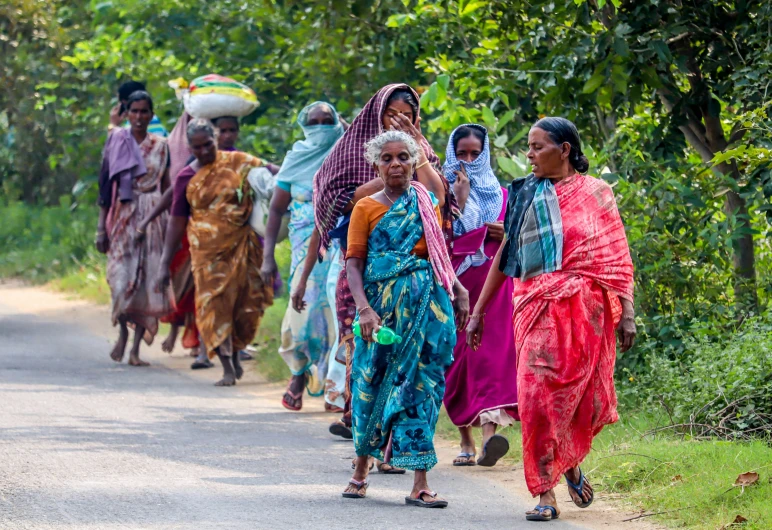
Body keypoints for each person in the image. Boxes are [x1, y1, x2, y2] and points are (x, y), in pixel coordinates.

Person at [466, 117, 636, 522]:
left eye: (538, 147)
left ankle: (570, 462)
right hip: (536, 306)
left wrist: (627, 312)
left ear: (564, 150)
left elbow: (616, 257)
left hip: (587, 312)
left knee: (582, 402)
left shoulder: (597, 193)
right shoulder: (524, 194)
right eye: (528, 146)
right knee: (536, 399)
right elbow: (506, 256)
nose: (529, 155)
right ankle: (545, 490)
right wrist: (478, 313)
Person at [313, 83, 454, 445]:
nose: (400, 120)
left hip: (418, 280)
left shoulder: (419, 155)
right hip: (363, 270)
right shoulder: (350, 154)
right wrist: (388, 173)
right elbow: (334, 198)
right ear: (377, 112)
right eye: (393, 113)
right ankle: (360, 425)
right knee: (366, 355)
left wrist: (415, 152)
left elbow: (438, 198)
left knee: (413, 363)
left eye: (407, 115)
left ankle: (396, 442)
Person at [342, 131, 469, 506]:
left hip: (428, 307)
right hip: (380, 311)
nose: (395, 164)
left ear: (414, 162)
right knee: (371, 380)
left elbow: (438, 257)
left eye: (402, 157)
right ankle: (361, 469)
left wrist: (458, 289)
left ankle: (420, 482)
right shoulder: (365, 207)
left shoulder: (427, 201)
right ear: (375, 164)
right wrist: (364, 309)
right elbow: (354, 263)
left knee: (423, 388)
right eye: (387, 158)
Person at [158, 119, 274, 386]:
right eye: (196, 147)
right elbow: (176, 220)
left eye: (207, 144)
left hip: (242, 246)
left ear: (216, 139)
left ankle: (234, 354)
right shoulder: (186, 176)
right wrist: (165, 263)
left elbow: (274, 172)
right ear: (190, 147)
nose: (203, 152)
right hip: (206, 254)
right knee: (213, 305)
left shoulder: (238, 161)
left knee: (245, 305)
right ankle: (226, 367)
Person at [441, 124, 519, 468]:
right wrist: (458, 201)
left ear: (485, 154)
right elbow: (440, 238)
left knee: (489, 358)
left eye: (475, 154)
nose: (468, 161)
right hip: (455, 286)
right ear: (451, 154)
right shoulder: (437, 193)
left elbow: (519, 235)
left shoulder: (504, 195)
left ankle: (489, 438)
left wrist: (503, 230)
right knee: (456, 361)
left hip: (495, 287)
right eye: (462, 154)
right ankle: (465, 439)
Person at [260, 102, 345, 411]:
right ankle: (298, 373)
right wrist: (268, 257)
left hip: (339, 244)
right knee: (303, 313)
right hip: (304, 251)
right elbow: (276, 210)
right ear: (304, 126)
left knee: (339, 312)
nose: (321, 127)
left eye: (327, 121)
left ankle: (336, 388)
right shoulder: (295, 159)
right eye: (314, 121)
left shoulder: (346, 156)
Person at [96, 90, 171, 366]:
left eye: (144, 112)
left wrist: (159, 219)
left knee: (148, 282)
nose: (139, 117)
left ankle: (136, 347)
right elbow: (105, 185)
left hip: (153, 218)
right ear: (126, 114)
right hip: (123, 215)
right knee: (120, 279)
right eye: (134, 111)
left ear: (152, 115)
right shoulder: (117, 140)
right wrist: (101, 228)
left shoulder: (162, 146)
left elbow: (168, 188)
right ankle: (122, 334)